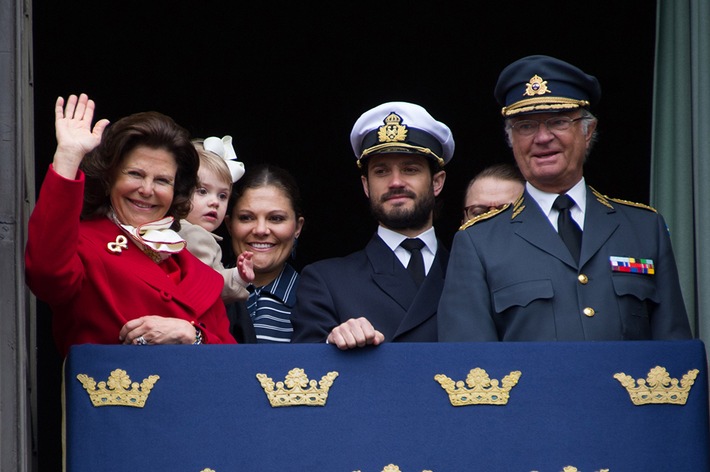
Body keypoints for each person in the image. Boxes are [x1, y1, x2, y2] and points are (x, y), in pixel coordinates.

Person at [438, 55, 692, 342]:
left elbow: (674, 354)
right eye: (526, 126)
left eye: (558, 121)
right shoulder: (478, 242)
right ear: (511, 139)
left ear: (588, 131)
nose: (543, 137)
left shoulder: (645, 228)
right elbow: (472, 368)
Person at [25, 93, 237, 357]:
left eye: (162, 180)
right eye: (135, 174)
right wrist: (68, 157)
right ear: (109, 178)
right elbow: (46, 275)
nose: (146, 190)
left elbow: (232, 363)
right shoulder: (84, 245)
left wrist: (191, 335)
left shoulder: (196, 269)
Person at [290, 101, 454, 349]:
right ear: (366, 185)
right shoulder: (326, 280)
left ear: (437, 182)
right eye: (381, 171)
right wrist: (331, 343)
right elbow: (302, 372)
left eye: (410, 169)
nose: (396, 182)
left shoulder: (472, 271)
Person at [224, 163, 305, 343]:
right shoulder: (202, 287)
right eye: (246, 217)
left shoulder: (317, 300)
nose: (261, 230)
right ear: (229, 225)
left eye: (276, 218)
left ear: (297, 227)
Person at [178, 136, 255, 304]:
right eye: (203, 191)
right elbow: (206, 286)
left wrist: (237, 275)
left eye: (222, 195)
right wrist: (238, 277)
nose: (215, 202)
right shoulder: (194, 235)